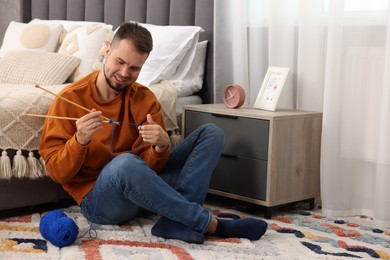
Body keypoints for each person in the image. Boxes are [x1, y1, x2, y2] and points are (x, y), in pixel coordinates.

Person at [39, 22, 267, 244]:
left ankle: (175, 222)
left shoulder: (145, 98)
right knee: (125, 163)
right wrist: (79, 141)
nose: (124, 73)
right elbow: (58, 174)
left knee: (211, 133)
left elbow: (151, 170)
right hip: (100, 202)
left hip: (143, 190)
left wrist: (161, 148)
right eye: (119, 62)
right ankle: (209, 224)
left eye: (135, 68)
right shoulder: (68, 99)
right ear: (106, 51)